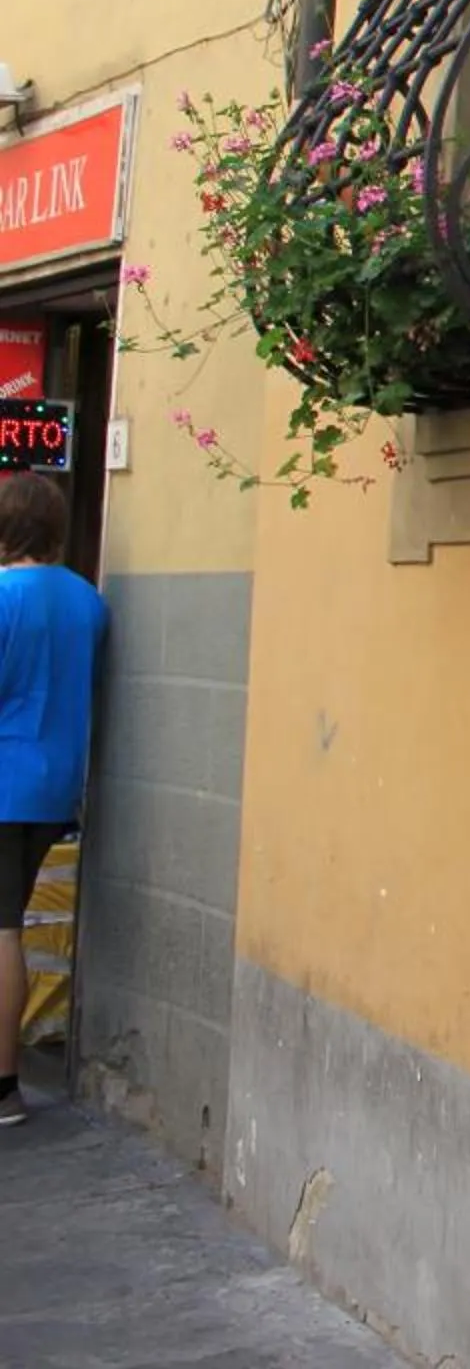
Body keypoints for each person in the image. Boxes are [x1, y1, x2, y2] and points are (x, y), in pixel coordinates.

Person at [0, 472, 104, 1126]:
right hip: (54, 786)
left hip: (4, 783)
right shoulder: (90, 602)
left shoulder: (3, 596)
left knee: (1, 928)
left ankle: (3, 1086)